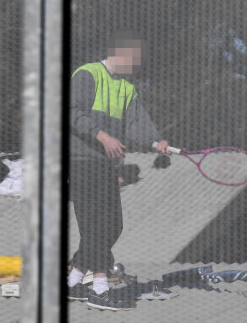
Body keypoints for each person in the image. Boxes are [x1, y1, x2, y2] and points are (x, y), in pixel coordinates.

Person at [67, 30, 170, 311]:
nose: (137, 65)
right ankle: (99, 290)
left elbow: (138, 124)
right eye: (135, 59)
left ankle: (74, 280)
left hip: (106, 166)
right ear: (121, 52)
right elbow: (72, 111)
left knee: (113, 225)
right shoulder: (87, 74)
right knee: (96, 226)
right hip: (81, 161)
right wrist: (103, 136)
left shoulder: (127, 87)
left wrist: (156, 141)